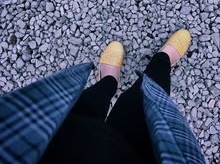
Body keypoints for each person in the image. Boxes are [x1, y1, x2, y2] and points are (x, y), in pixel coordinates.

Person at [0, 29, 205, 164]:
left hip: (55, 146)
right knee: (146, 106)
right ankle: (162, 60)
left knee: (87, 104)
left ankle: (109, 80)